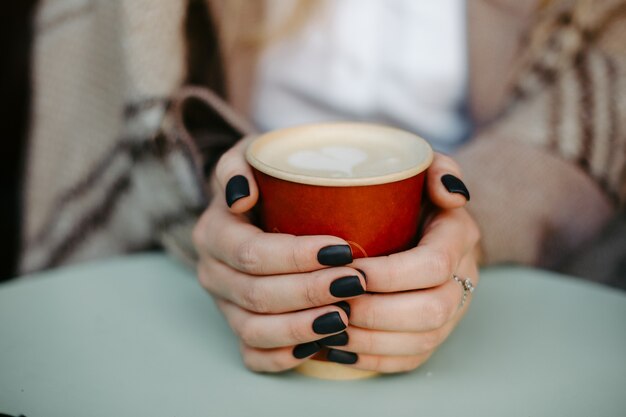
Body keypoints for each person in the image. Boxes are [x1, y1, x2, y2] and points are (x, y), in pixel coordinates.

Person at [10, 0, 626, 373]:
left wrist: (469, 228)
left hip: (498, 239)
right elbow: (126, 98)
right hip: (209, 201)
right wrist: (207, 196)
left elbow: (605, 82)